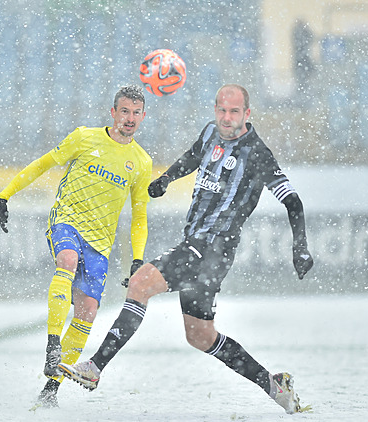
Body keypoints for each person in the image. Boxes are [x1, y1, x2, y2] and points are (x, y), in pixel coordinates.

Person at [60, 84, 315, 414]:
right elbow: (194, 156)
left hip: (213, 249)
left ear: (247, 114)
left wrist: (300, 247)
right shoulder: (211, 132)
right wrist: (166, 179)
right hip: (197, 246)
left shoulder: (257, 153)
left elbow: (293, 201)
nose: (226, 117)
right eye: (222, 110)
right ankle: (273, 384)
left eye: (234, 112)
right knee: (200, 336)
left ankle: (94, 368)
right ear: (215, 110)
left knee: (140, 284)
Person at [0, 85, 153, 408]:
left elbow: (139, 217)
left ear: (143, 116)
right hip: (67, 221)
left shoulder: (142, 162)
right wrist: (4, 194)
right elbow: (43, 163)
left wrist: (137, 259)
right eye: (124, 111)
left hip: (100, 243)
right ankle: (53, 343)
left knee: (88, 312)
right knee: (66, 259)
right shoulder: (84, 138)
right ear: (113, 113)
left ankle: (51, 387)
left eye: (136, 113)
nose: (130, 118)